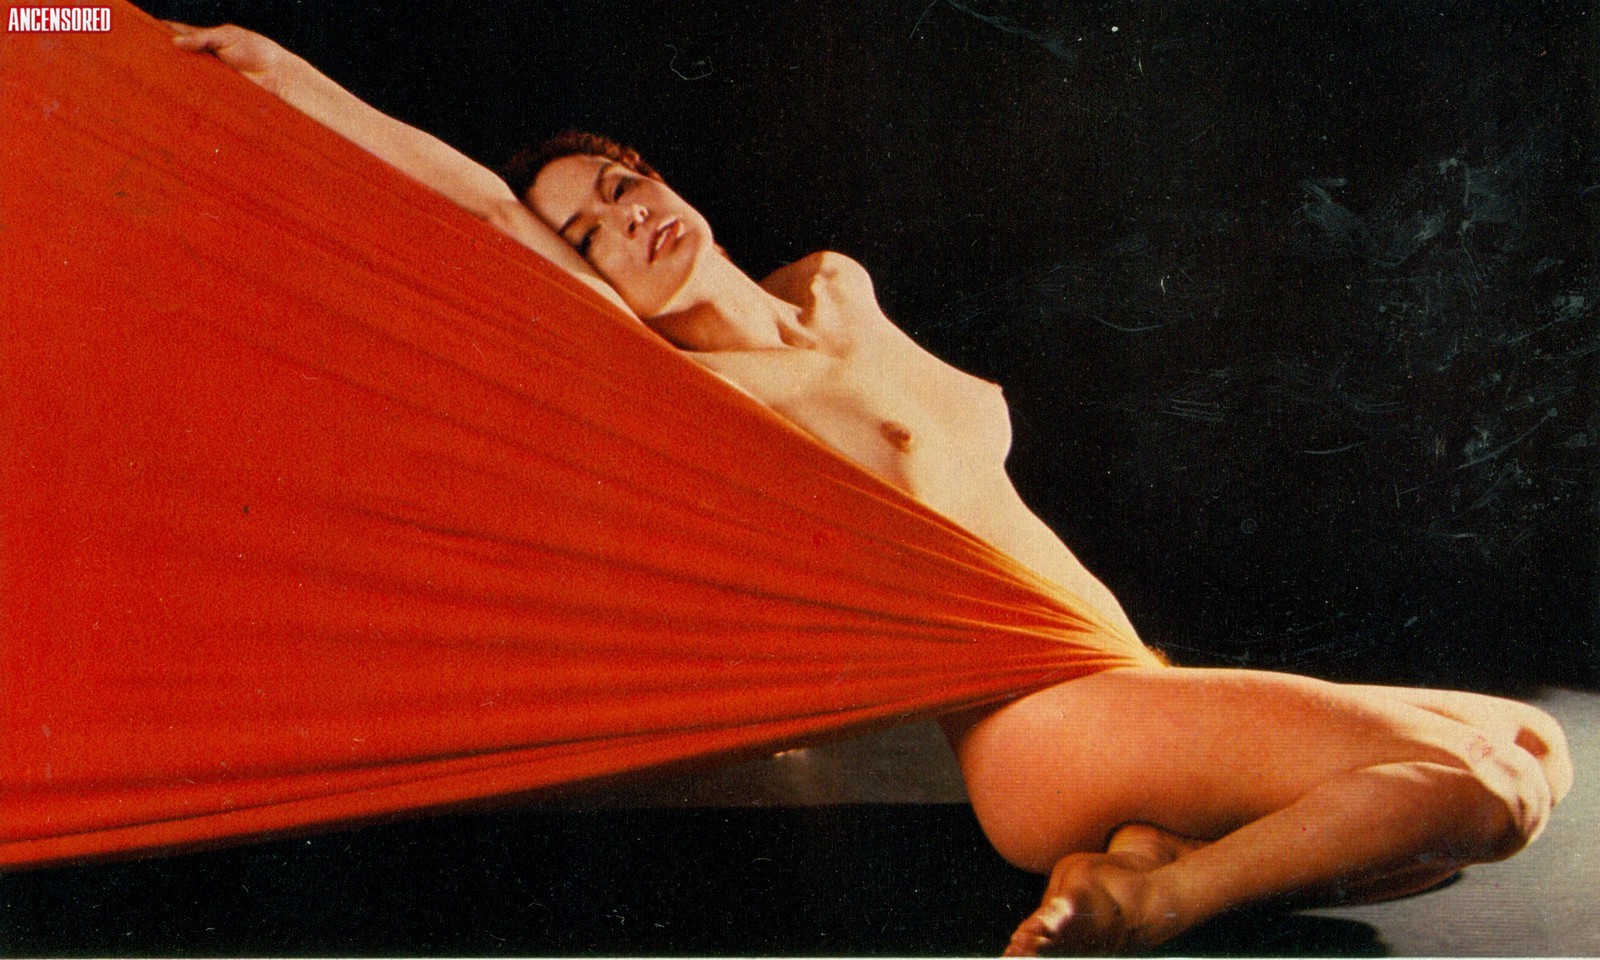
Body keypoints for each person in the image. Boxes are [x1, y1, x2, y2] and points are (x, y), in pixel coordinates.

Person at [170, 23, 1573, 955]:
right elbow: (484, 209)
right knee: (1489, 796)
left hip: (1128, 676)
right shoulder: (705, 394)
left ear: (659, 176)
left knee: (1535, 747)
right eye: (585, 237)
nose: (623, 222)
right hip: (1038, 722)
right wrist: (277, 70)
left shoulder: (837, 291)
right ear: (581, 282)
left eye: (617, 186)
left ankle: (1149, 853)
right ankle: (1152, 900)